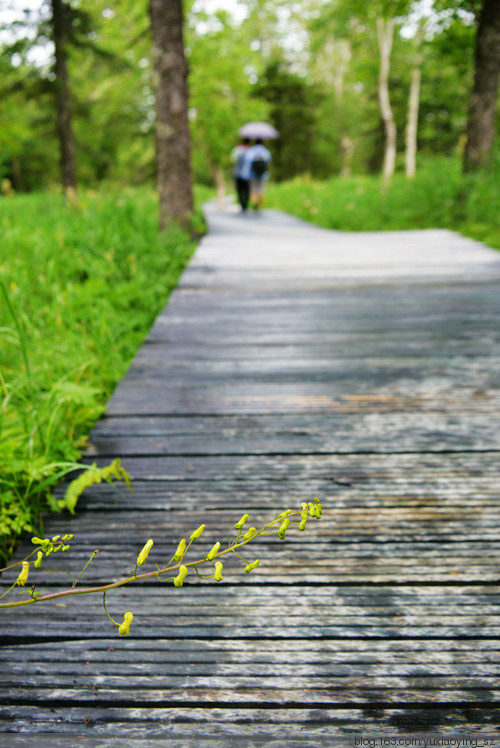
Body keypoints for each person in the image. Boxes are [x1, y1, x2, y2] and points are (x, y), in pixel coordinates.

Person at [240, 138, 272, 212]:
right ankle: (259, 205)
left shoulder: (251, 151)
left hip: (253, 175)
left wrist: (246, 175)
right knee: (261, 190)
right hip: (263, 175)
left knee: (253, 189)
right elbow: (268, 162)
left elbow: (247, 164)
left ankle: (254, 203)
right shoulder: (266, 151)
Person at [231, 137, 251, 212]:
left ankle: (242, 204)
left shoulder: (237, 150)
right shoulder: (250, 151)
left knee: (239, 189)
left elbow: (233, 160)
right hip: (248, 175)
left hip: (238, 173)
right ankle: (245, 204)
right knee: (246, 190)